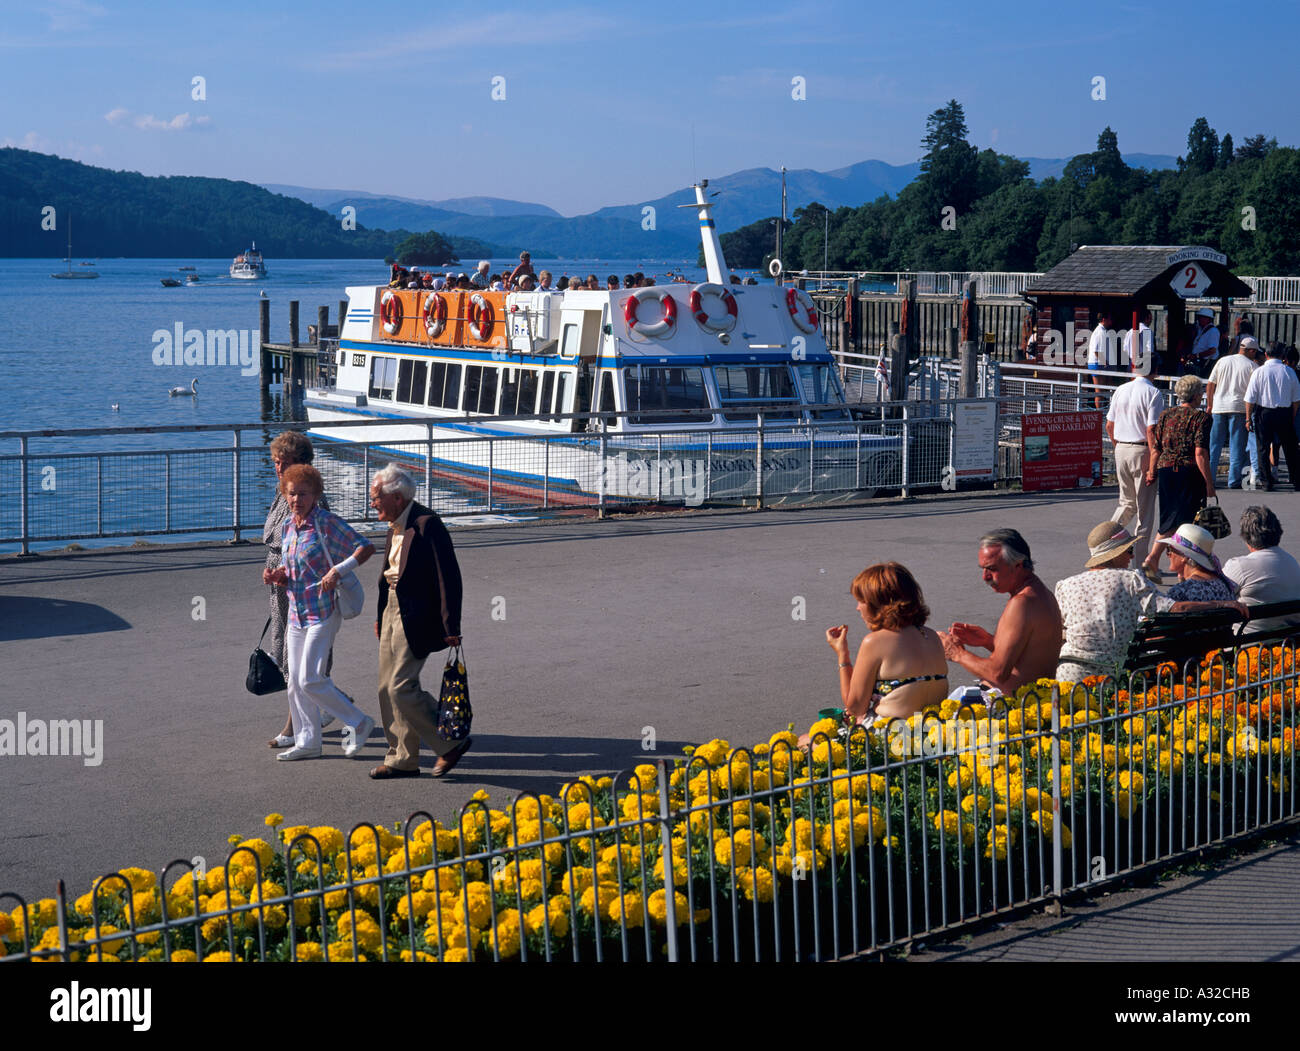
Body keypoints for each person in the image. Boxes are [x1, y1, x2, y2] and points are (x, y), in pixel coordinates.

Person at [261, 464, 376, 761]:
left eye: (303, 493)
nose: (297, 499)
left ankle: (358, 721)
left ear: (315, 495)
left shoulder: (326, 523)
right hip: (296, 612)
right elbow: (295, 568)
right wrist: (279, 576)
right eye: (292, 494)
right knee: (294, 682)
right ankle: (308, 741)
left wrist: (337, 571)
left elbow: (365, 547)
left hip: (322, 611)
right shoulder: (288, 526)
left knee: (311, 679)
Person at [368, 465, 469, 780]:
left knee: (401, 687)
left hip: (418, 616)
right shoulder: (395, 523)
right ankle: (402, 759)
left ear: (396, 497)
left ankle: (451, 742)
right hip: (392, 611)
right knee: (386, 688)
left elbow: (448, 578)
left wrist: (451, 626)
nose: (372, 504)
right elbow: (388, 578)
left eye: (376, 498)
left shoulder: (427, 524)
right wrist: (380, 614)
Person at [1055, 522, 1245, 682]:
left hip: (1071, 676)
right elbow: (1176, 608)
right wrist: (1222, 604)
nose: (1131, 556)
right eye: (1129, 550)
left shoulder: (1065, 586)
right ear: (1114, 554)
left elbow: (1057, 632)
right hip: (1115, 675)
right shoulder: (1131, 581)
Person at [799, 563, 948, 745]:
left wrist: (842, 654)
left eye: (861, 601)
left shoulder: (875, 641)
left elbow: (854, 708)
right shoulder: (931, 636)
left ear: (878, 603)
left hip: (891, 742)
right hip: (929, 735)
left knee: (805, 741)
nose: (858, 608)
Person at [264, 431, 334, 749]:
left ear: (301, 463)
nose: (278, 467)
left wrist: (289, 569)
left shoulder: (310, 496)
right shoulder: (285, 492)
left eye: (284, 461)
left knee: (301, 658)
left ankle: (295, 725)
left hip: (305, 588)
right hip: (283, 587)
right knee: (286, 651)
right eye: (276, 461)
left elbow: (321, 544)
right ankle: (329, 705)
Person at [938, 529, 1063, 696]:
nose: (985, 577)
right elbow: (1029, 657)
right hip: (1031, 700)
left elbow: (998, 673)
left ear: (1017, 565)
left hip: (1009, 707)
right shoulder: (1041, 594)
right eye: (983, 569)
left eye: (992, 569)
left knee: (919, 720)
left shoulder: (1022, 603)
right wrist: (989, 641)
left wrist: (957, 653)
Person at [1140, 373, 1213, 582]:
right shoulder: (1201, 418)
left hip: (1166, 471)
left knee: (1169, 519)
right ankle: (1166, 564)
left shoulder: (1166, 415)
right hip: (1189, 473)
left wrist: (1152, 471)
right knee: (1187, 523)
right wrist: (1209, 483)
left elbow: (1156, 448)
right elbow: (1200, 453)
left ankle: (1166, 565)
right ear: (1197, 395)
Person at [1106, 368, 1163, 566]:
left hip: (1121, 447)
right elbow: (1151, 428)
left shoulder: (1121, 389)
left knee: (1126, 504)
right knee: (1144, 511)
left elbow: (1109, 425)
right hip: (1142, 450)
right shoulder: (1153, 393)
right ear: (1154, 372)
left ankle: (1105, 542)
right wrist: (1153, 460)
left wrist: (1118, 446)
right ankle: (1140, 564)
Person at [1223, 506, 1300, 634]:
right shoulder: (1292, 563)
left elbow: (1215, 594)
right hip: (1288, 645)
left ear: (1246, 537)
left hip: (1248, 648)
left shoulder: (1239, 566)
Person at [1244, 341, 1300, 491]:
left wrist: (1248, 418)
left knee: (1263, 447)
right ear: (1282, 356)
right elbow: (1296, 400)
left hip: (1264, 412)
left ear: (1266, 355)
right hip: (1284, 412)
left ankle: (1266, 481)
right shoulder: (1289, 372)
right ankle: (1296, 479)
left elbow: (1250, 398)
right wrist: (1292, 415)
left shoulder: (1259, 372)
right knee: (1290, 448)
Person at [1206, 334, 1259, 489]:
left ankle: (1210, 479)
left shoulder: (1223, 361)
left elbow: (1210, 384)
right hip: (1239, 409)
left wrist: (1210, 404)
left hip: (1219, 407)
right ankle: (1233, 481)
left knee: (1214, 446)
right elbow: (1253, 393)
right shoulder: (1252, 367)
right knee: (1237, 447)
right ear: (1251, 351)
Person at [1157, 523, 1239, 602]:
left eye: (1169, 549)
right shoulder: (1224, 586)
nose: (1168, 554)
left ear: (1183, 556)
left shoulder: (1180, 592)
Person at [1190, 307, 1221, 376]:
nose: (1199, 319)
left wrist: (1196, 355)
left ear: (1208, 319)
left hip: (1207, 363)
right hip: (1200, 361)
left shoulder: (1213, 331)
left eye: (1201, 317)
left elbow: (1212, 351)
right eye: (1199, 317)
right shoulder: (1201, 330)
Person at [1122, 308, 1154, 374]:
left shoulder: (1129, 332)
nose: (1151, 321)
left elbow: (1125, 348)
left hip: (1131, 363)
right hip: (1144, 365)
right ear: (1146, 318)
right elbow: (1150, 350)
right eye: (1151, 319)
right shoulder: (1148, 331)